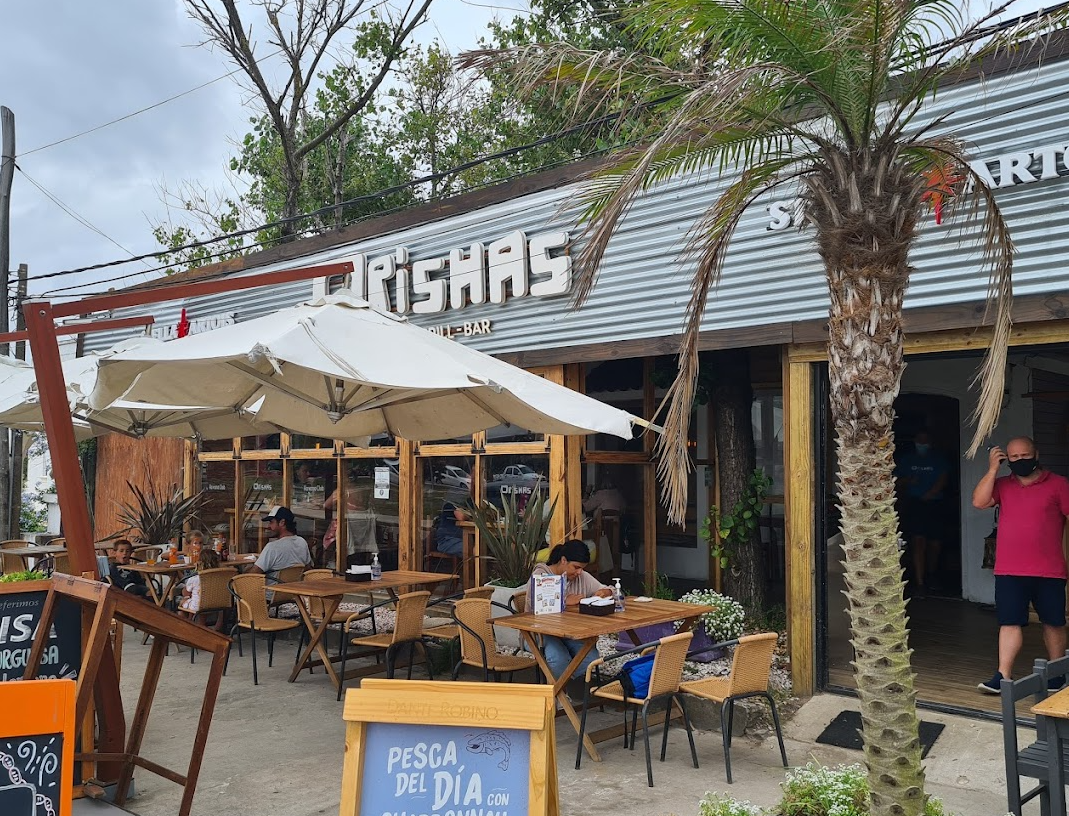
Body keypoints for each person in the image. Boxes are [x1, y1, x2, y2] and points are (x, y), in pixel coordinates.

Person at [972, 436, 1069, 693]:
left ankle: (1057, 674)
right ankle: (1002, 676)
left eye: (1025, 456)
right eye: (1014, 457)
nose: (1020, 460)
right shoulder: (1002, 484)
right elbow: (979, 502)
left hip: (1049, 570)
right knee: (1009, 621)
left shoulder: (1059, 484)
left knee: (1054, 622)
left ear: (1036, 455)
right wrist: (992, 469)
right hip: (1009, 569)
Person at [530, 539, 614, 698]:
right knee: (558, 658)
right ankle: (556, 697)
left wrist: (605, 592)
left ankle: (561, 685)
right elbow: (535, 607)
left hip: (569, 632)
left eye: (582, 568)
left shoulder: (581, 576)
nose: (579, 572)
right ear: (563, 560)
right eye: (576, 567)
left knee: (591, 657)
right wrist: (563, 601)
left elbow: (609, 589)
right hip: (541, 632)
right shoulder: (540, 574)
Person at [895, 430, 949, 595]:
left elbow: (943, 478)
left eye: (925, 441)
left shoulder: (938, 459)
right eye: (920, 440)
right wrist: (908, 480)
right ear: (915, 441)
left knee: (935, 543)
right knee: (918, 541)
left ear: (930, 442)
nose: (922, 444)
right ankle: (920, 583)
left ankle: (931, 574)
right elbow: (895, 480)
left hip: (935, 503)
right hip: (915, 503)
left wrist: (931, 493)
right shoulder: (907, 459)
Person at [248, 505, 312, 585]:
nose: (268, 526)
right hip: (294, 590)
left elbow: (253, 574)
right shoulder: (302, 542)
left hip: (270, 591)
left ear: (282, 522)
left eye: (271, 522)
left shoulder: (272, 547)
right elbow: (307, 568)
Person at [178, 549, 226, 629]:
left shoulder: (195, 578)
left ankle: (188, 626)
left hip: (199, 606)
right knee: (197, 598)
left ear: (199, 562)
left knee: (183, 601)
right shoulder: (222, 577)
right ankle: (202, 625)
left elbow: (186, 593)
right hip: (218, 604)